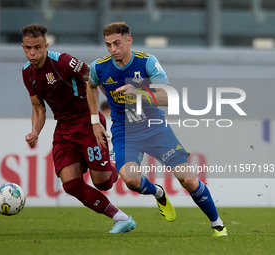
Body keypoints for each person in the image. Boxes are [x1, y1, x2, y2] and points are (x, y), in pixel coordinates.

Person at [87, 21, 227, 237]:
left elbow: (169, 96)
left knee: (188, 179)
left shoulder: (146, 62)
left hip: (154, 127)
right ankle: (158, 193)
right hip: (125, 130)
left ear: (128, 41)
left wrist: (141, 92)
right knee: (131, 180)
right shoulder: (99, 67)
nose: (113, 49)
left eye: (117, 43)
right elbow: (91, 85)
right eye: (108, 45)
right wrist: (95, 120)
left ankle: (217, 224)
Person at [21, 23, 136, 234]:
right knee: (71, 184)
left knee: (102, 184)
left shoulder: (64, 62)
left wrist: (117, 108)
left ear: (46, 46)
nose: (33, 52)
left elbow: (96, 78)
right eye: (28, 48)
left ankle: (115, 159)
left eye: (37, 47)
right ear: (23, 48)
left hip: (87, 122)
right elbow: (38, 109)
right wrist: (35, 132)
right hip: (64, 128)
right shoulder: (27, 74)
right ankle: (120, 218)